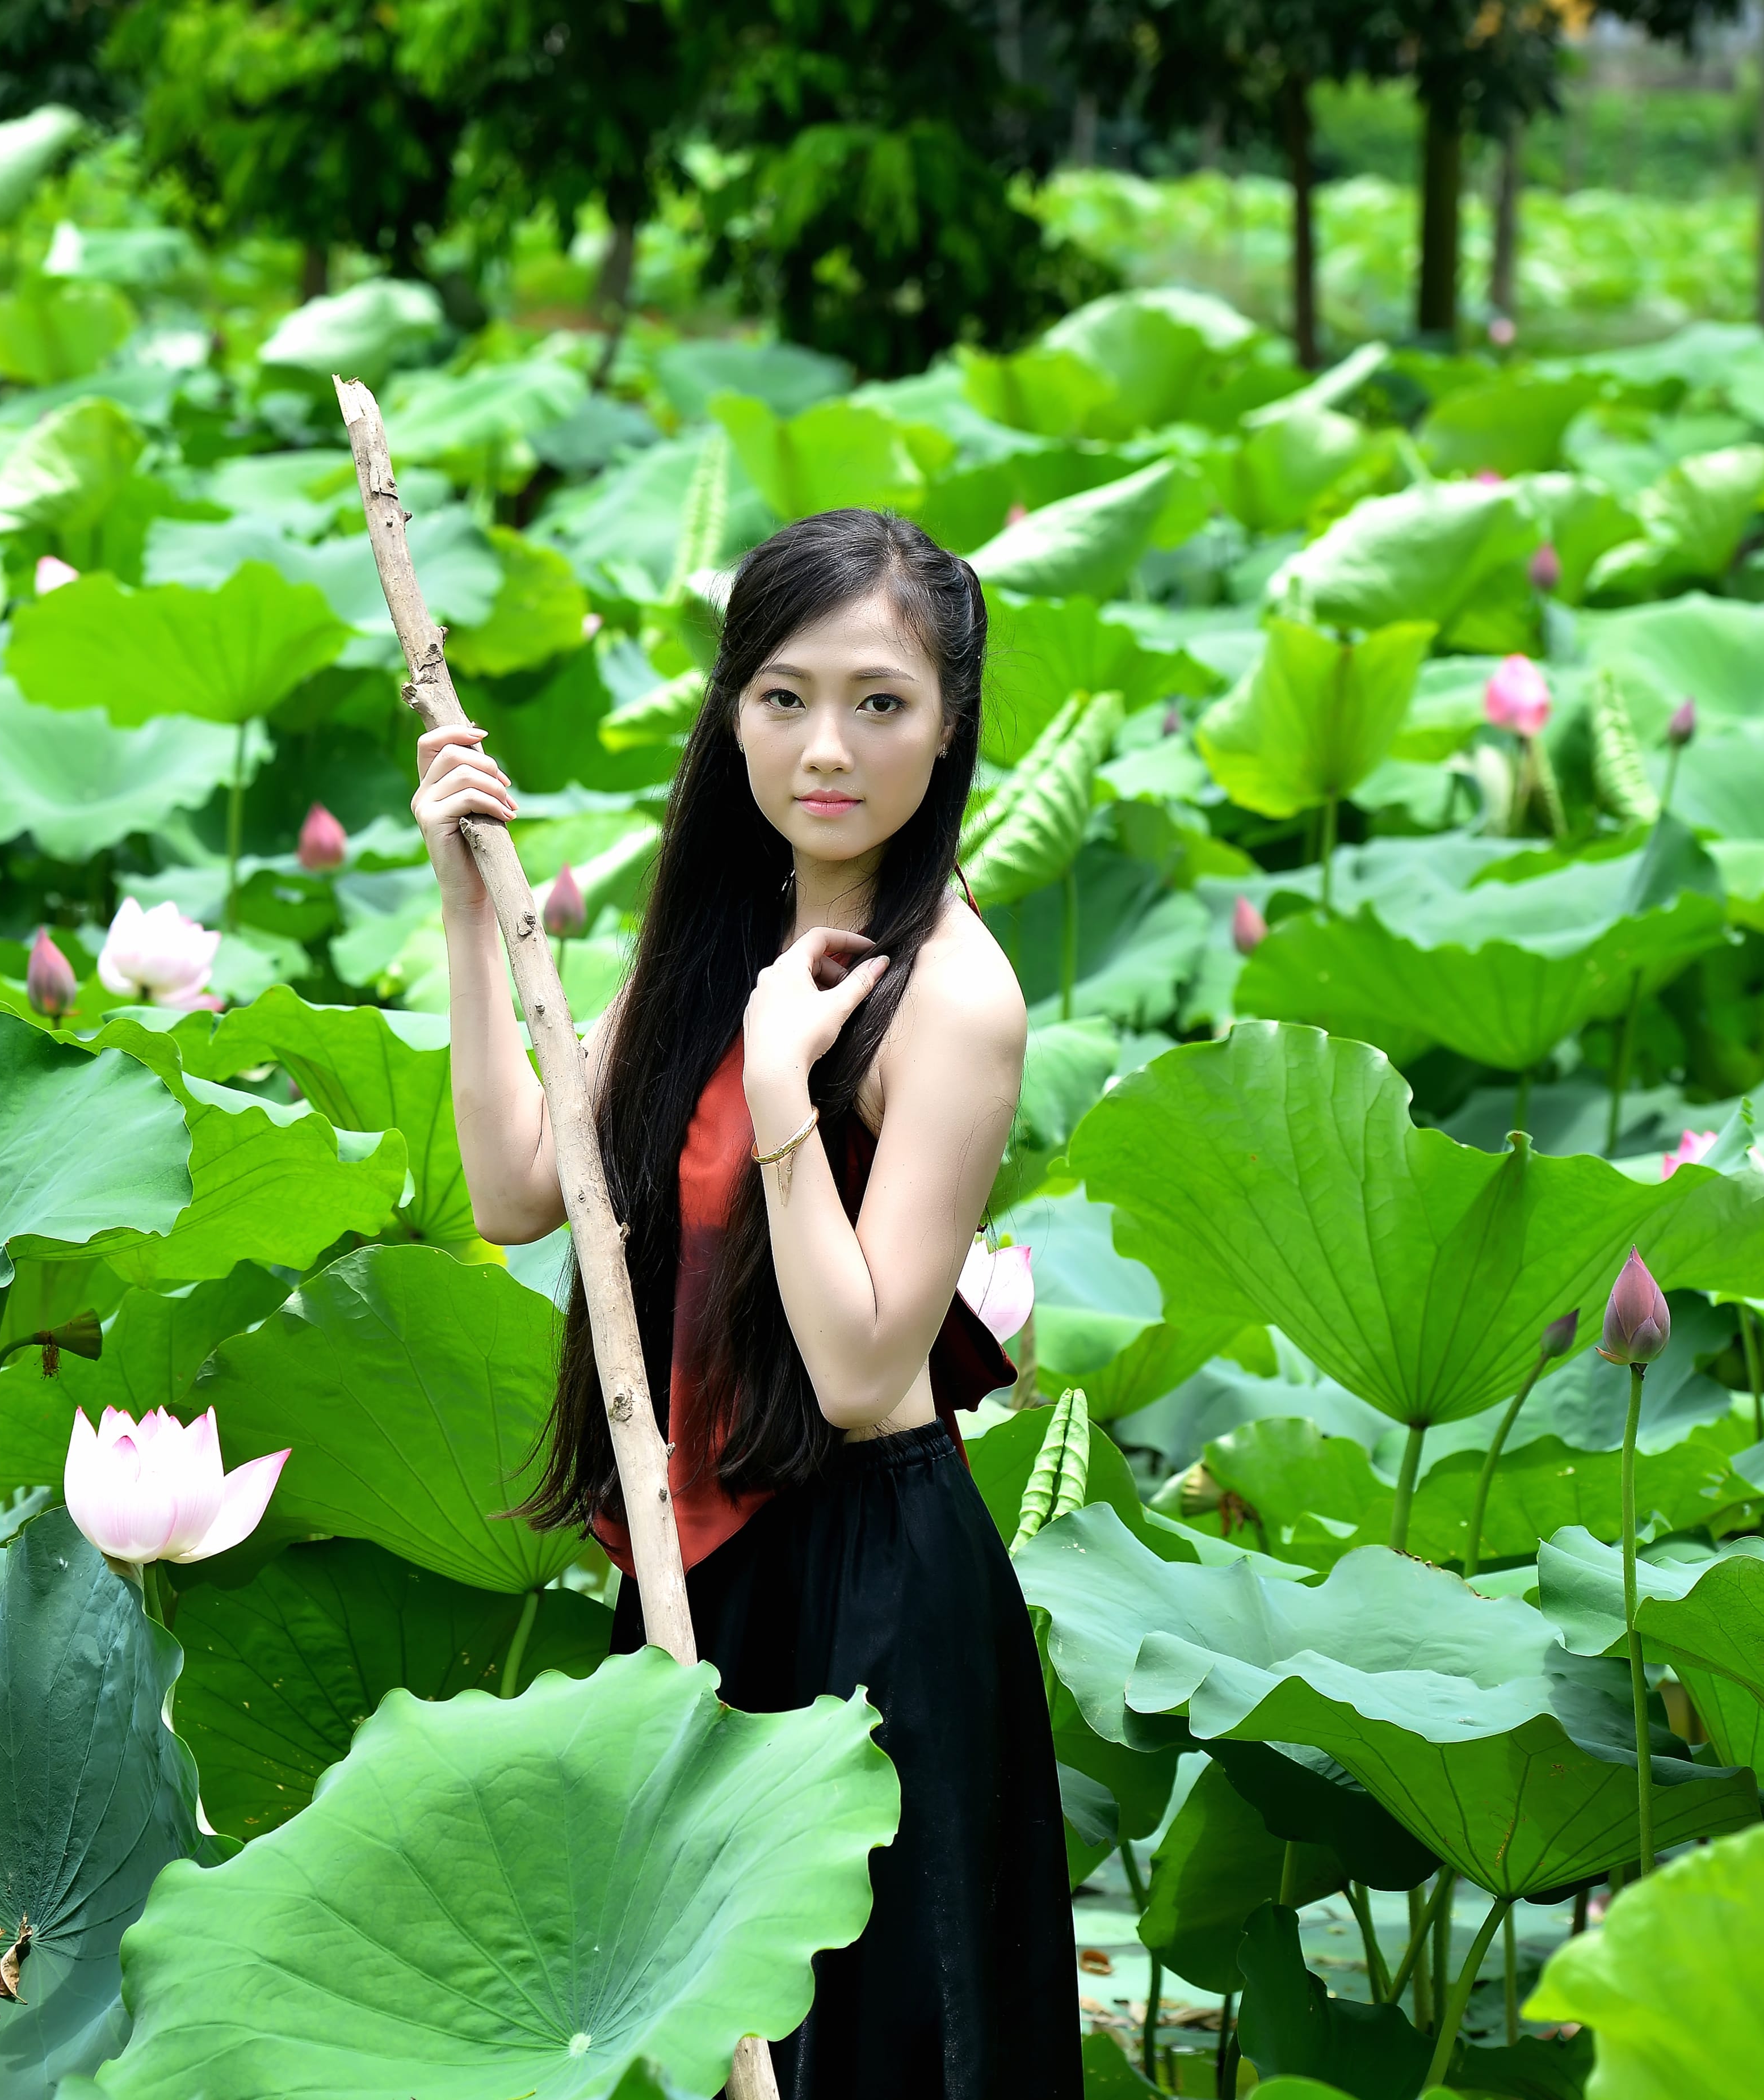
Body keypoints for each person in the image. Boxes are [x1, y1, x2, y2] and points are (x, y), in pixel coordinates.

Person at [415, 507, 1083, 2098]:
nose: (826, 748)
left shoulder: (957, 993)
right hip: (707, 1562)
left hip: (874, 1589)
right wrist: (463, 902)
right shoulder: (727, 928)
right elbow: (525, 1187)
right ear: (730, 714)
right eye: (782, 698)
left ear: (952, 726)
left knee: (873, 2059)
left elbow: (861, 1368)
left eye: (881, 701)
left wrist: (787, 1085)